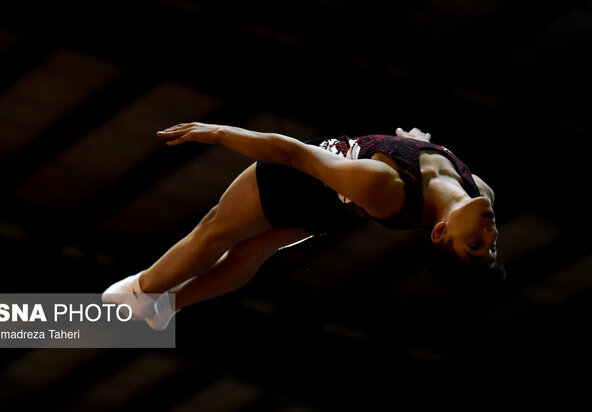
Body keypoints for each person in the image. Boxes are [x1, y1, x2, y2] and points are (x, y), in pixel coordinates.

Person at [102, 123, 503, 330]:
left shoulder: (388, 189)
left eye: (475, 246)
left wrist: (221, 132)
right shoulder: (479, 188)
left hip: (299, 184)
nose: (490, 236)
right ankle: (168, 307)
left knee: (216, 231)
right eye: (492, 247)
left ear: (440, 233)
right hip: (332, 209)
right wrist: (415, 143)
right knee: (254, 250)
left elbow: (292, 154)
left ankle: (140, 292)